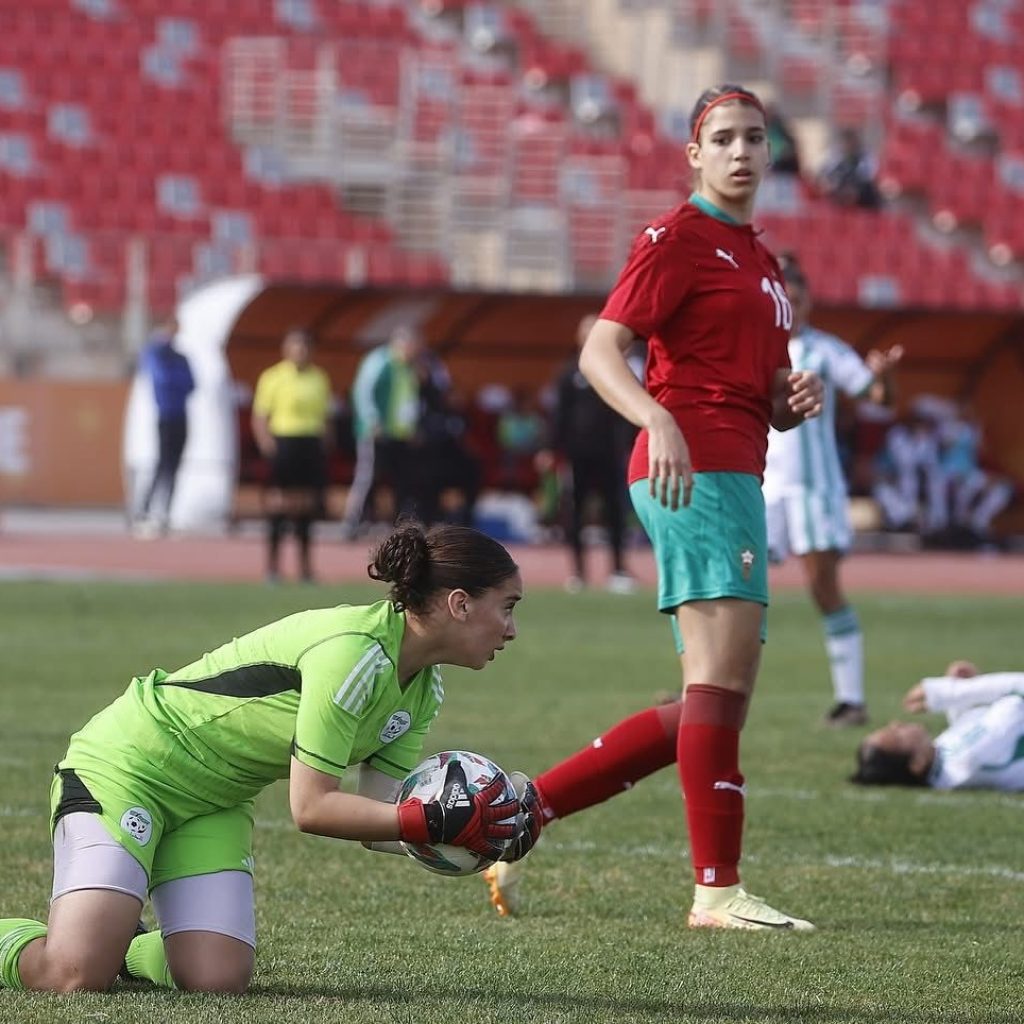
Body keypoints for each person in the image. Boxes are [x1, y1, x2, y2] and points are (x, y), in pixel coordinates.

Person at [485, 84, 824, 930]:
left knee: (710, 700)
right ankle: (717, 891)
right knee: (719, 686)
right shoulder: (676, 238)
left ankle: (526, 812)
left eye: (755, 138)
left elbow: (758, 389)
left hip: (734, 467)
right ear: (695, 154)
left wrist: (790, 401)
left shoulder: (760, 258)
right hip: (692, 469)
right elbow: (603, 350)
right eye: (724, 138)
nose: (742, 151)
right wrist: (656, 417)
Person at [0, 522, 537, 995]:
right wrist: (430, 820)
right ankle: (89, 939)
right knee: (70, 976)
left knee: (217, 980)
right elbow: (312, 808)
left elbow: (380, 819)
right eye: (507, 607)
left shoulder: (423, 689)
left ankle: (116, 941)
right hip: (129, 768)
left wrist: (475, 835)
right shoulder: (352, 653)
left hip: (215, 801)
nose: (511, 629)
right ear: (460, 603)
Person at [762, 254, 902, 727]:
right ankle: (710, 690)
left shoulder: (826, 350)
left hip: (814, 488)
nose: (794, 308)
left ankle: (851, 700)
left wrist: (885, 376)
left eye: (800, 300)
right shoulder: (755, 345)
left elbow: (879, 398)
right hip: (760, 486)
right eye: (787, 299)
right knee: (737, 586)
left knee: (824, 589)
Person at [550, 312, 636, 594]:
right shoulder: (569, 373)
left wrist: (628, 444)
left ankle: (618, 570)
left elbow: (628, 409)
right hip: (578, 456)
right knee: (575, 513)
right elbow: (559, 414)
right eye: (585, 330)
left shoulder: (616, 369)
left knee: (615, 512)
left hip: (609, 454)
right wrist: (551, 448)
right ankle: (578, 573)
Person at [851, 660, 1024, 789]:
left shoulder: (946, 768)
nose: (896, 724)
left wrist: (961, 703)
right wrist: (952, 691)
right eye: (897, 736)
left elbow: (970, 735)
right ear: (917, 763)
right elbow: (1018, 695)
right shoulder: (967, 761)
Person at [251, 329, 333, 583]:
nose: (300, 352)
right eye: (296, 347)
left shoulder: (319, 378)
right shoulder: (273, 377)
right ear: (286, 349)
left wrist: (326, 444)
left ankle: (305, 568)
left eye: (305, 347)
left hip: (310, 443)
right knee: (279, 504)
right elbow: (260, 415)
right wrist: (266, 443)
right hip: (284, 442)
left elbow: (326, 416)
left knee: (307, 506)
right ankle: (273, 567)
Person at [341, 325, 423, 537]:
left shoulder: (409, 367)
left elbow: (409, 400)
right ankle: (352, 520)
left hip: (399, 434)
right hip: (375, 432)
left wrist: (412, 427)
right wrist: (371, 420)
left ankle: (400, 524)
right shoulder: (379, 361)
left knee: (402, 480)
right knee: (367, 476)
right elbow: (362, 391)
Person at [132, 319, 194, 538]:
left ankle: (165, 513)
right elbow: (161, 379)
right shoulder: (157, 353)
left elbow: (191, 384)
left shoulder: (181, 357)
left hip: (181, 416)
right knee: (162, 465)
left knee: (174, 467)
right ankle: (143, 511)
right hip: (165, 416)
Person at [818, 127, 881, 209]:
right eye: (845, 143)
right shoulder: (835, 157)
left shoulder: (866, 157)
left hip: (861, 195)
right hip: (839, 192)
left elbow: (868, 176)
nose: (848, 146)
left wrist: (853, 188)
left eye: (851, 142)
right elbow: (825, 174)